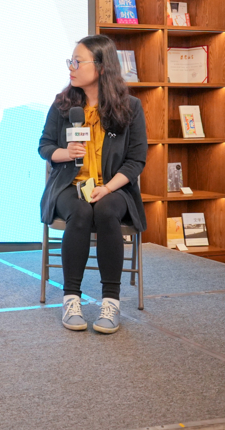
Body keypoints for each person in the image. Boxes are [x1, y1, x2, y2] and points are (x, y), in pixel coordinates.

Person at [38, 34, 147, 334]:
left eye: (77, 62)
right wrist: (65, 153)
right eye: (70, 61)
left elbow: (136, 160)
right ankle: (71, 299)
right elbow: (45, 146)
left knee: (106, 210)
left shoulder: (130, 107)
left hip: (114, 188)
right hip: (68, 185)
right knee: (81, 211)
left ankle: (110, 302)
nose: (71, 68)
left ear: (100, 67)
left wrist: (108, 188)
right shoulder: (62, 105)